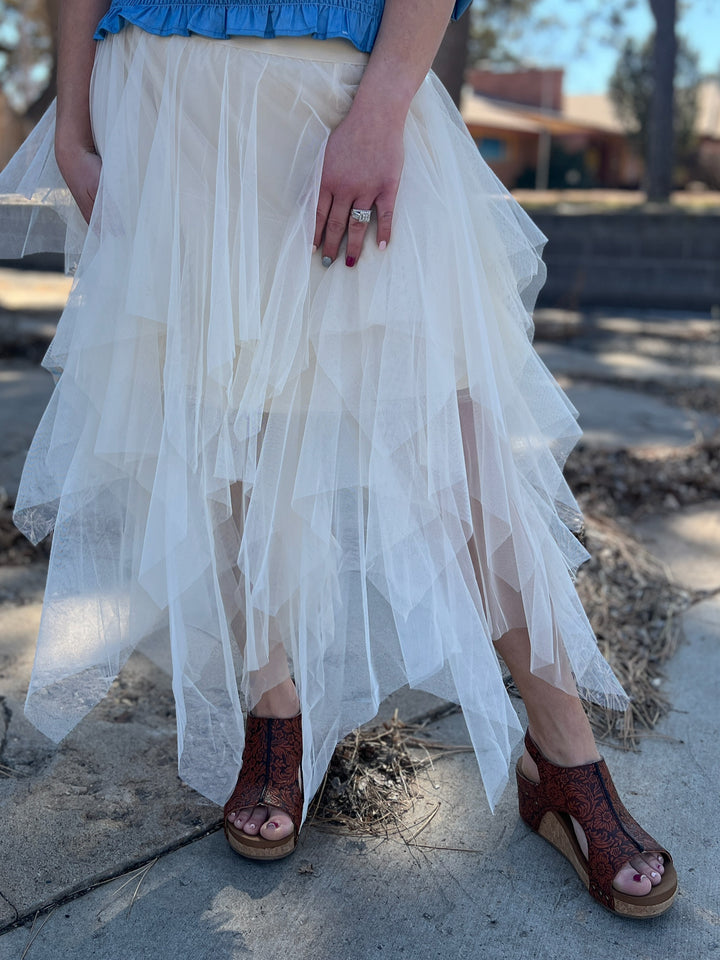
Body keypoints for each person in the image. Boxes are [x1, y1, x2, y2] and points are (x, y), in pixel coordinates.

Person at [0, 0, 676, 917]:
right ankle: (274, 708)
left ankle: (562, 754)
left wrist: (382, 105)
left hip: (341, 88)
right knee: (219, 425)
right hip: (163, 90)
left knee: (454, 431)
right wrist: (72, 123)